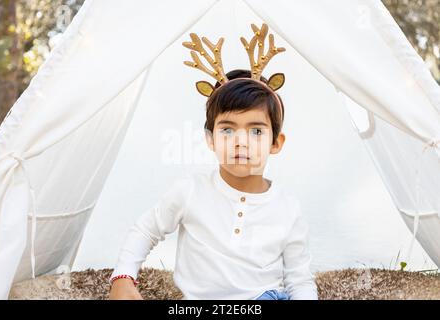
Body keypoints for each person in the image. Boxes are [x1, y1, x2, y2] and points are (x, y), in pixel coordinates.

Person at [108, 23, 318, 300]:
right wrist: (123, 277)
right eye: (227, 130)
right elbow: (145, 230)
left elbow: (300, 281)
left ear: (275, 143)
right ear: (210, 139)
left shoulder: (287, 209)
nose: (240, 141)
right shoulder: (190, 191)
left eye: (256, 131)